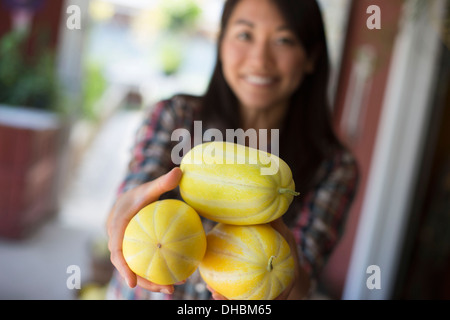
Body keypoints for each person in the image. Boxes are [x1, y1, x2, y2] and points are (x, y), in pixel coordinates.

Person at [106, 0, 359, 300]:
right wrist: (123, 213)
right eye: (244, 35)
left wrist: (284, 277)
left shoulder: (334, 166)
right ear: (221, 42)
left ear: (311, 58)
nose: (260, 60)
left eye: (283, 39)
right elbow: (131, 198)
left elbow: (303, 277)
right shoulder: (174, 116)